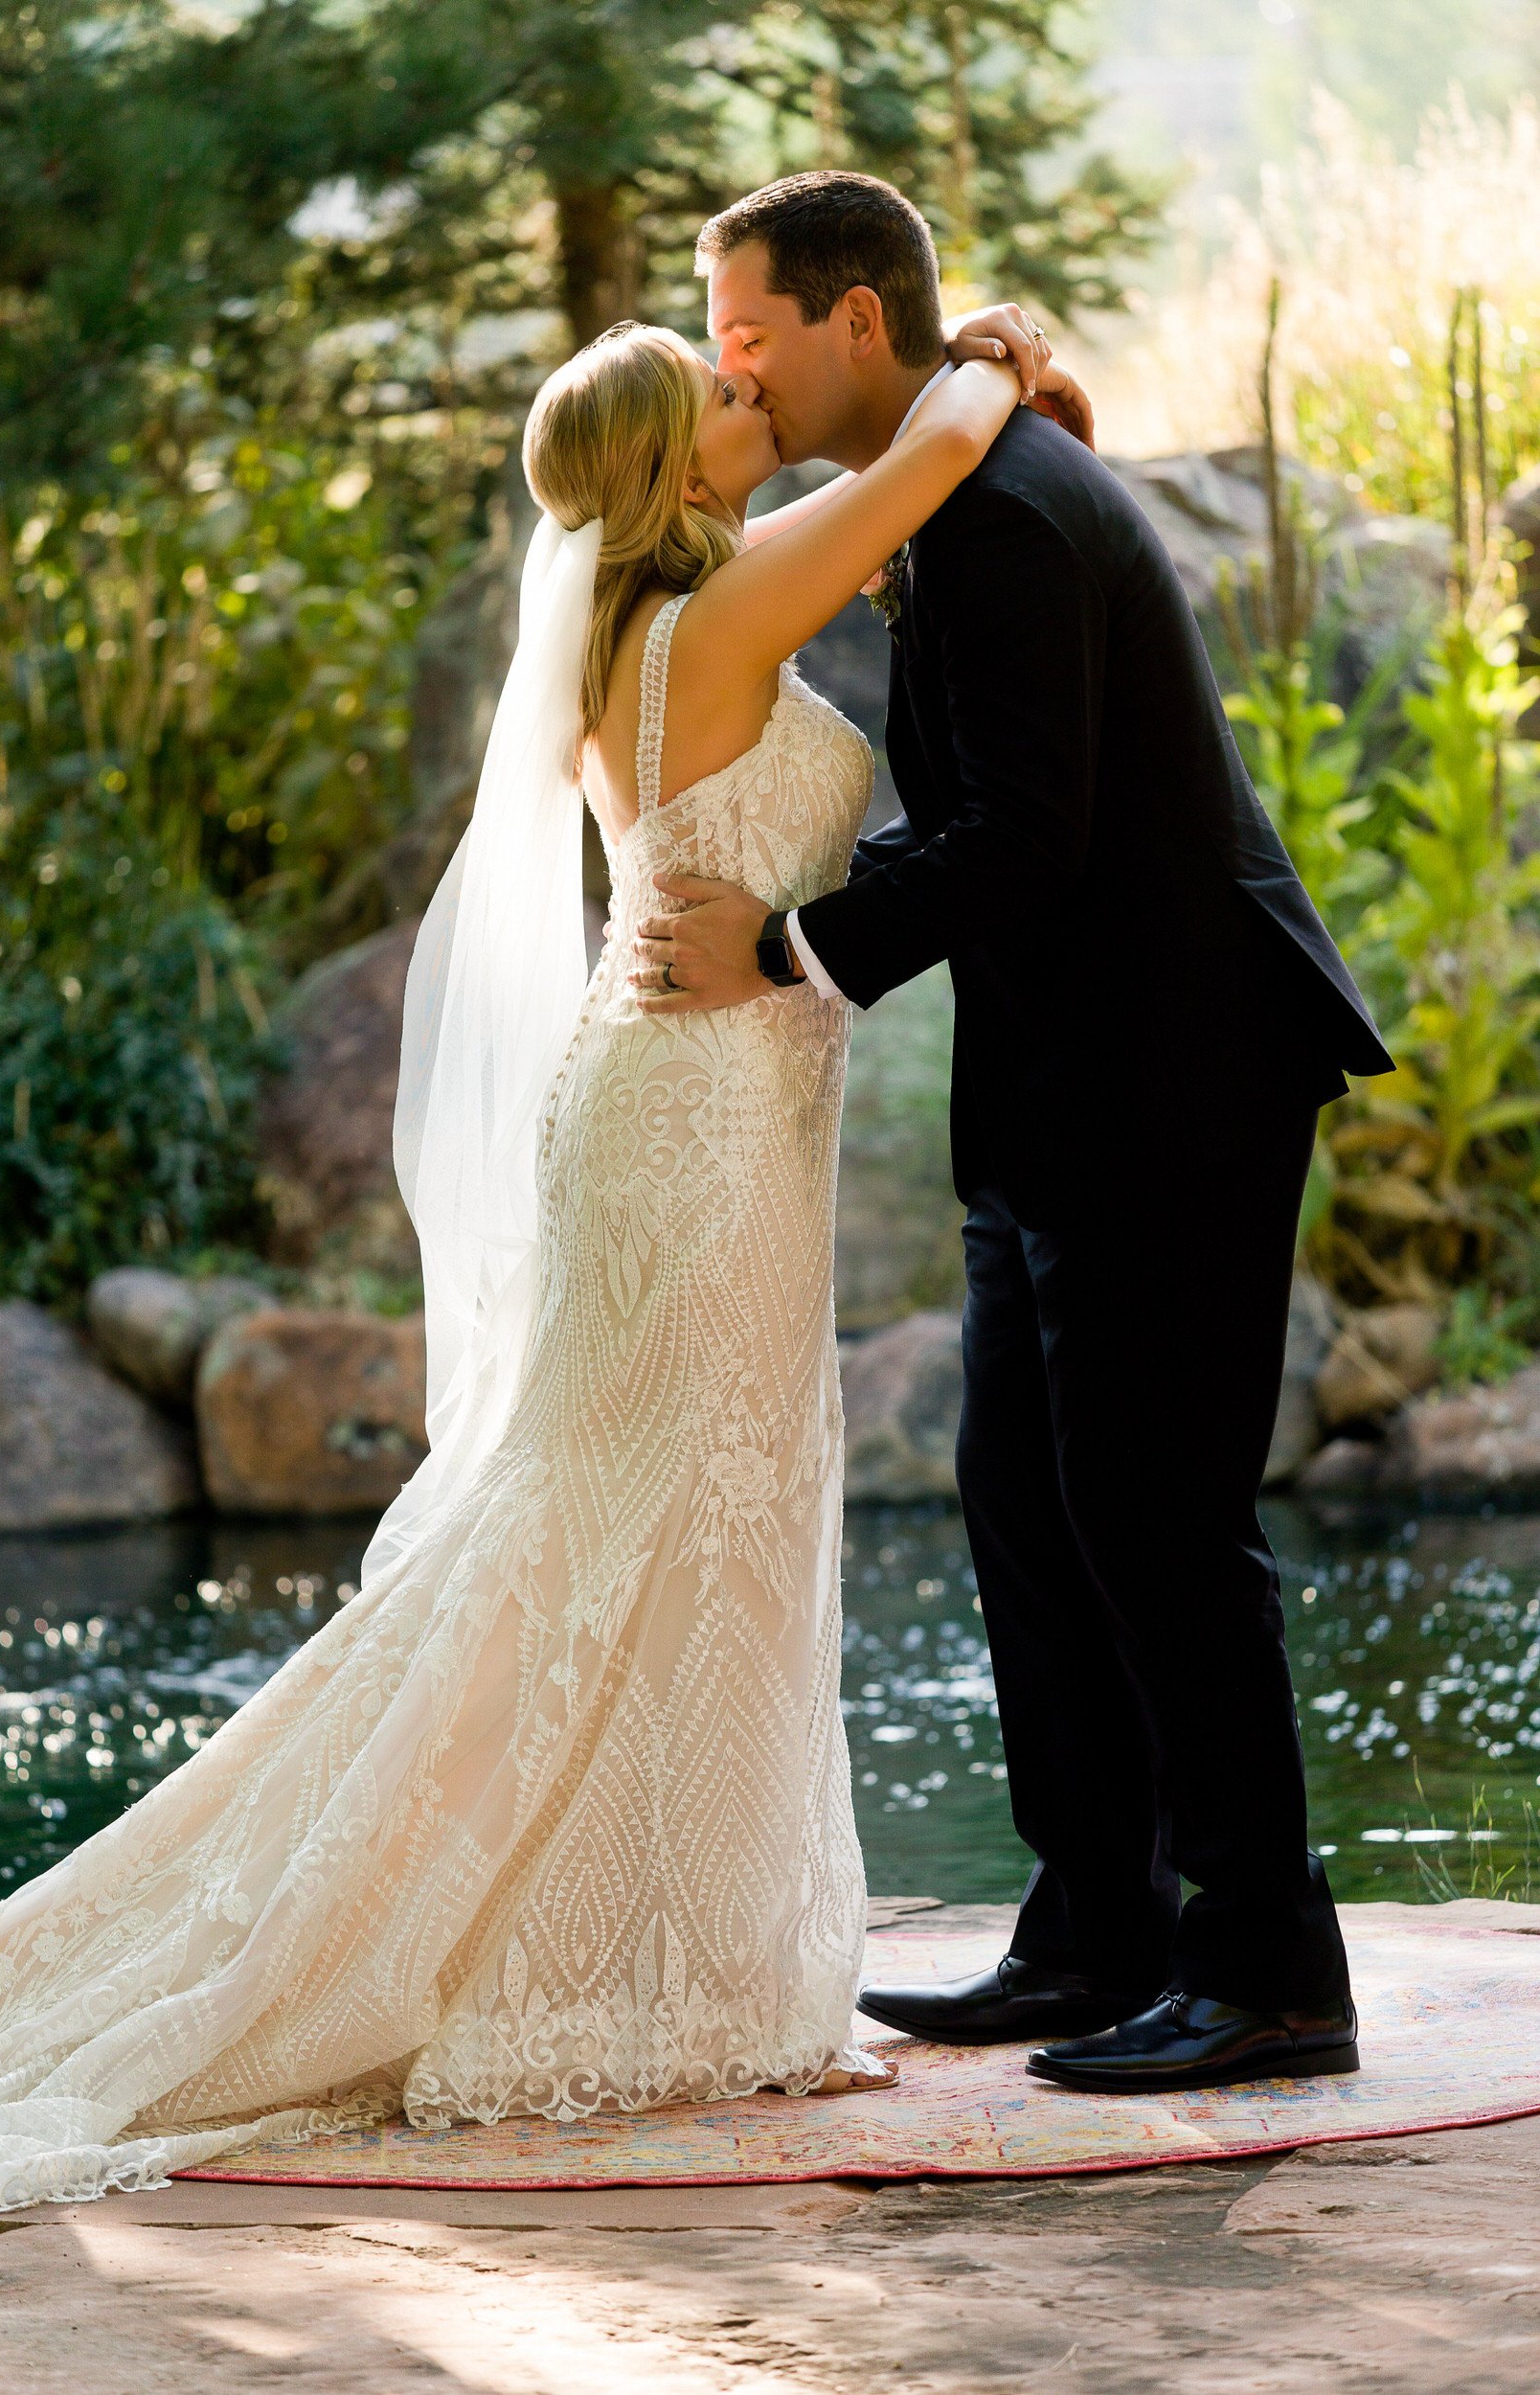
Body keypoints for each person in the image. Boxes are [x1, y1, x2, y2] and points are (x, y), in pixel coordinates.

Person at [0, 294, 1061, 2213]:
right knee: (643, 1525)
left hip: (701, 1107)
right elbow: (933, 458)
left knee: (672, 1524)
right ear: (660, 465)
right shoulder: (707, 619)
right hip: (693, 1123)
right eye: (710, 391)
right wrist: (1003, 348)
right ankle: (592, 1962)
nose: (743, 390)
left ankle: (676, 1950)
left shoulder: (657, 616)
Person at [636, 171, 1394, 2095]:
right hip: (1070, 1094)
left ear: (853, 325)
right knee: (1030, 1505)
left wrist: (784, 941)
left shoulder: (1005, 521)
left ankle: (1271, 1964)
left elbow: (1029, 838)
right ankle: (1096, 1924)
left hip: (1184, 1077)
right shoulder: (950, 494)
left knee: (1157, 1518)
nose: (734, 360)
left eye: (749, 330)